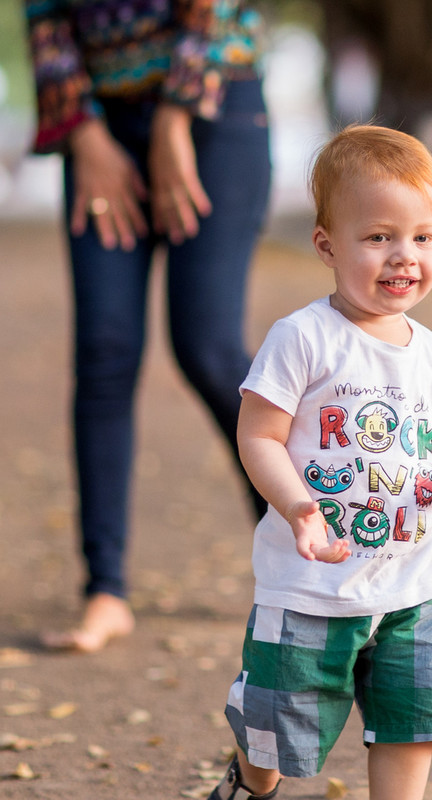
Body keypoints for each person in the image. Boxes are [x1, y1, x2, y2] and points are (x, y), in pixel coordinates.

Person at [207, 124, 432, 800]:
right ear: (327, 245)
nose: (405, 256)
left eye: (424, 237)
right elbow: (259, 437)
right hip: (310, 584)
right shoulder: (302, 338)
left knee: (410, 721)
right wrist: (300, 509)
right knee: (278, 725)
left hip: (417, 584)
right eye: (378, 237)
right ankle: (252, 784)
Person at [25, 0, 272, 652]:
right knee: (104, 352)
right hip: (100, 125)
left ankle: (301, 545)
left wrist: (173, 116)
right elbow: (44, 19)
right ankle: (105, 590)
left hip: (216, 104)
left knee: (208, 347)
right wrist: (83, 135)